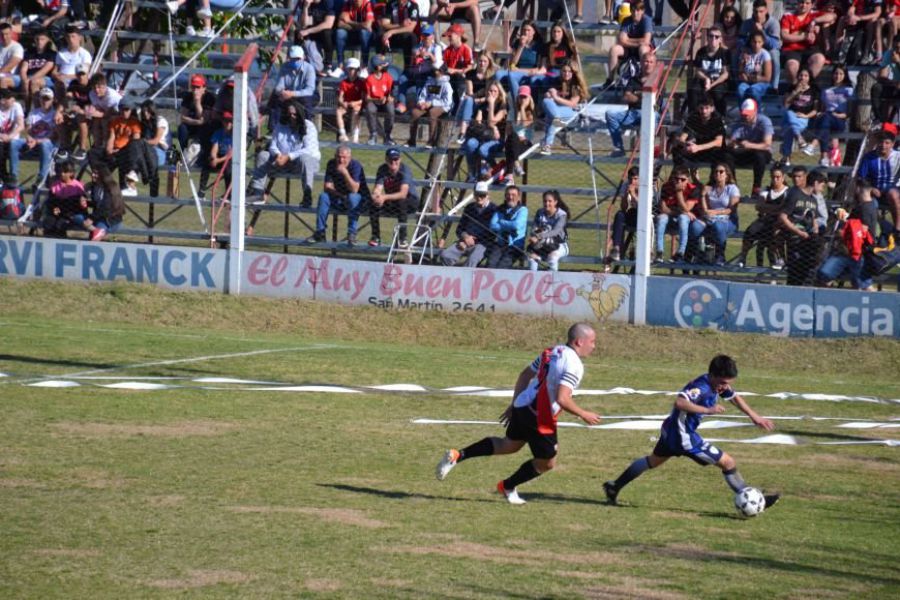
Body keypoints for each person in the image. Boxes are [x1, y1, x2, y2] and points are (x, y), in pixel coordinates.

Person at [435, 323, 601, 505]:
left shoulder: (552, 351)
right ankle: (507, 486)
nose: (594, 346)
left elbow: (524, 375)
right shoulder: (574, 365)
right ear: (579, 341)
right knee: (547, 463)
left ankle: (458, 455)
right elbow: (563, 399)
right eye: (592, 342)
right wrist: (584, 413)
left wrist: (514, 404)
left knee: (509, 445)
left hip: (523, 404)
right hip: (540, 417)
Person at [603, 355, 780, 511]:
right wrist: (707, 410)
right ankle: (756, 501)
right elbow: (680, 402)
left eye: (728, 383)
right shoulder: (701, 388)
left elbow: (733, 396)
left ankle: (614, 486)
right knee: (728, 462)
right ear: (713, 375)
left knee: (653, 461)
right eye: (723, 383)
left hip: (671, 430)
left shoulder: (715, 383)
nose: (725, 387)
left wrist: (754, 416)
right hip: (684, 438)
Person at [246, 100, 320, 233]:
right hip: (282, 161)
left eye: (294, 114)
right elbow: (273, 144)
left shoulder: (309, 126)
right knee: (263, 154)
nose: (291, 117)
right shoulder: (280, 125)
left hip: (303, 164)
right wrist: (279, 155)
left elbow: (309, 149)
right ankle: (257, 192)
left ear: (300, 114)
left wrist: (288, 156)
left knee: (305, 158)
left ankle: (307, 195)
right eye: (289, 114)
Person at [308, 144, 368, 245]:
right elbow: (327, 187)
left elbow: (354, 189)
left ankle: (352, 233)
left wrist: (345, 173)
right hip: (339, 198)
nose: (341, 160)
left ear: (349, 157)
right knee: (323, 197)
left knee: (352, 197)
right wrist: (341, 196)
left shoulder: (355, 166)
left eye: (344, 157)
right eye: (338, 157)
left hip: (358, 201)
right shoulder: (331, 164)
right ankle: (320, 232)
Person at [778, 166, 825, 286]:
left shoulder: (813, 200)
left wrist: (815, 229)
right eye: (821, 185)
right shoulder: (795, 194)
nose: (822, 189)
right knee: (794, 272)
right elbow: (783, 217)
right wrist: (798, 232)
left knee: (806, 272)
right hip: (795, 239)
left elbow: (814, 219)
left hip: (807, 241)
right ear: (815, 183)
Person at [607, 51, 658, 158]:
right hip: (633, 113)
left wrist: (636, 94)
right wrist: (644, 96)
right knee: (610, 114)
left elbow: (656, 99)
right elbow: (626, 97)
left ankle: (647, 150)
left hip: (651, 111)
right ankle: (619, 147)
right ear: (642, 63)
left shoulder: (658, 79)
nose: (648, 64)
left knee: (653, 117)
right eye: (646, 61)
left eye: (651, 62)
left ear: (655, 64)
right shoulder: (634, 79)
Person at [737, 164, 789, 268]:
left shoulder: (788, 191)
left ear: (783, 178)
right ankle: (743, 257)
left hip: (780, 221)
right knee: (750, 231)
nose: (775, 179)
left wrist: (769, 208)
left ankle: (780, 259)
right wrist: (777, 208)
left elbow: (785, 208)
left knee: (775, 235)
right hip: (765, 220)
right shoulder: (767, 190)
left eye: (778, 177)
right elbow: (759, 206)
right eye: (773, 177)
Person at [816, 204, 876, 290]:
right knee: (824, 275)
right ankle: (827, 297)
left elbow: (869, 242)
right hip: (842, 255)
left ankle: (870, 300)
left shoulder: (863, 226)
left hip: (858, 257)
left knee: (863, 285)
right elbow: (839, 233)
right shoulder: (844, 223)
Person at [691, 163, 741, 265]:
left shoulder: (732, 188)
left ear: (727, 174)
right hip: (711, 219)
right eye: (716, 172)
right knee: (695, 226)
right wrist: (703, 194)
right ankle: (695, 254)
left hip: (728, 220)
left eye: (721, 172)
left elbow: (731, 209)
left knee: (718, 226)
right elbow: (705, 209)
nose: (718, 174)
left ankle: (720, 255)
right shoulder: (710, 189)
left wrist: (715, 212)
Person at [439, 180, 497, 267]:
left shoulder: (494, 210)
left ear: (488, 195)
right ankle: (453, 277)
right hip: (465, 241)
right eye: (477, 194)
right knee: (445, 255)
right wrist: (465, 237)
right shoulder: (469, 208)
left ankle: (465, 279)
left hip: (483, 245)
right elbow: (460, 228)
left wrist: (473, 241)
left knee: (472, 260)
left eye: (482, 195)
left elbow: (494, 234)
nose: (479, 198)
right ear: (474, 194)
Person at [369, 147, 418, 247]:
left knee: (401, 202)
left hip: (410, 201)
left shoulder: (405, 170)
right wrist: (376, 196)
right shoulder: (382, 169)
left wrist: (384, 197)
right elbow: (378, 188)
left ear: (400, 159)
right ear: (386, 159)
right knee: (373, 204)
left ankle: (403, 238)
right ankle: (375, 237)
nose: (393, 162)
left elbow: (403, 193)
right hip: (392, 201)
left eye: (396, 159)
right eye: (391, 159)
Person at [726, 98, 773, 197]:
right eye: (744, 113)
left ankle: (756, 187)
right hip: (746, 151)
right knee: (727, 154)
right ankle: (733, 185)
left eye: (748, 113)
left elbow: (767, 144)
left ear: (755, 111)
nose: (746, 116)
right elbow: (732, 140)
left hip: (762, 153)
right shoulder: (739, 121)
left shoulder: (764, 121)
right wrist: (735, 144)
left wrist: (750, 145)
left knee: (759, 155)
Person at [494, 20, 548, 108]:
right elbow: (513, 63)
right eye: (524, 30)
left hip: (528, 72)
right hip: (515, 70)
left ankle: (517, 103)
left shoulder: (539, 46)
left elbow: (538, 68)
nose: (526, 32)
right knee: (498, 74)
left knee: (511, 75)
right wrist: (521, 46)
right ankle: (498, 102)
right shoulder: (517, 42)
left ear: (534, 32)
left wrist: (519, 70)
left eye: (528, 30)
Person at [11, 87, 57, 186]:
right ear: (39, 99)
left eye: (47, 99)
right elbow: (28, 129)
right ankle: (13, 175)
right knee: (14, 143)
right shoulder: (33, 113)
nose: (45, 101)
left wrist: (37, 141)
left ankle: (41, 177)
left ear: (52, 100)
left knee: (45, 144)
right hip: (33, 141)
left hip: (48, 143)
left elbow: (53, 135)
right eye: (43, 98)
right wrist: (29, 138)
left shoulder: (55, 114)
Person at [539, 61, 587, 155]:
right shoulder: (556, 81)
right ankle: (551, 140)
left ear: (574, 73)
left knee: (553, 117)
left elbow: (572, 104)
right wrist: (548, 95)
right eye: (564, 71)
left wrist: (556, 97)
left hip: (570, 114)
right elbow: (549, 96)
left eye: (569, 71)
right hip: (556, 111)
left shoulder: (576, 86)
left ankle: (547, 142)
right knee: (546, 101)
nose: (566, 74)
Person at [395, 23, 443, 114]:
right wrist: (415, 56)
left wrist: (429, 55)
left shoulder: (436, 48)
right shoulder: (418, 47)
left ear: (432, 36)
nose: (425, 38)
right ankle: (402, 104)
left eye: (427, 35)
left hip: (429, 74)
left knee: (420, 80)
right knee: (402, 79)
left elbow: (438, 65)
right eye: (424, 35)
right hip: (416, 71)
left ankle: (419, 104)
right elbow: (412, 63)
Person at [810, 65, 853, 167]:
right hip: (827, 119)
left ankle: (815, 145)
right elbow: (823, 108)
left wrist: (840, 115)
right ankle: (824, 158)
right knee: (825, 119)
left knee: (826, 119)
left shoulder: (848, 90)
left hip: (840, 120)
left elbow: (850, 111)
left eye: (841, 74)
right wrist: (821, 112)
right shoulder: (826, 90)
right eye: (836, 73)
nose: (838, 76)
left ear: (845, 75)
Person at [655, 166, 701, 262]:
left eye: (682, 179)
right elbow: (663, 208)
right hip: (670, 216)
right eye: (676, 179)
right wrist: (679, 212)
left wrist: (678, 193)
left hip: (686, 220)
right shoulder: (667, 186)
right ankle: (659, 252)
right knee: (662, 218)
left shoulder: (693, 189)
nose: (679, 182)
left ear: (687, 180)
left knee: (683, 218)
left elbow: (687, 208)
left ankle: (681, 252)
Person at [857, 130, 900, 233]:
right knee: (862, 193)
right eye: (881, 142)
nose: (883, 145)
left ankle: (898, 230)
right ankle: (870, 234)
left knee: (892, 194)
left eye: (887, 143)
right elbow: (860, 178)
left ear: (893, 144)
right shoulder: (869, 157)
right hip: (876, 190)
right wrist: (871, 188)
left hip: (895, 190)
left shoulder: (898, 156)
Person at [462, 81, 506, 179]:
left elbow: (491, 122)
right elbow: (478, 122)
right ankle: (472, 172)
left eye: (495, 91)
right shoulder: (482, 106)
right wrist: (493, 128)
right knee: (470, 144)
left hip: (497, 140)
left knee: (483, 150)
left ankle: (496, 167)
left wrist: (491, 104)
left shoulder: (502, 107)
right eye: (490, 91)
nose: (492, 93)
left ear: (499, 93)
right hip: (483, 136)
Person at [672, 94, 728, 168]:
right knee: (676, 149)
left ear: (712, 109)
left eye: (707, 108)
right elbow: (682, 138)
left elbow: (718, 142)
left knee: (719, 152)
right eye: (701, 108)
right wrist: (686, 144)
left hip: (712, 151)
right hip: (697, 150)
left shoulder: (717, 120)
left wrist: (698, 147)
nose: (704, 111)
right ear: (698, 108)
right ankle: (681, 175)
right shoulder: (693, 118)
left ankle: (714, 178)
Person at [405, 64, 453, 149]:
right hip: (427, 104)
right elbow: (423, 94)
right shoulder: (430, 81)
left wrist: (432, 103)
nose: (435, 71)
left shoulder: (447, 85)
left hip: (443, 106)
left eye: (437, 70)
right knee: (414, 112)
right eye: (434, 70)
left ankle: (431, 141)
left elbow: (447, 101)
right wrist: (421, 102)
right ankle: (412, 140)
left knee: (432, 112)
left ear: (442, 72)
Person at [738, 0, 781, 93]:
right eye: (756, 11)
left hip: (768, 49)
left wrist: (762, 32)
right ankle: (738, 81)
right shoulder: (747, 23)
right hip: (752, 47)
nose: (758, 14)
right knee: (737, 53)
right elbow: (740, 40)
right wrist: (744, 48)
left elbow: (774, 45)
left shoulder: (774, 23)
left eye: (761, 11)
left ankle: (774, 86)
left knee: (774, 54)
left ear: (766, 11)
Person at [686, 26, 730, 117]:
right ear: (707, 38)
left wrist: (712, 85)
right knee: (694, 90)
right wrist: (706, 78)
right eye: (711, 36)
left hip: (718, 81)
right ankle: (693, 117)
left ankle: (721, 118)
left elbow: (725, 74)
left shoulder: (724, 53)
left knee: (717, 92)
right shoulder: (701, 52)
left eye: (716, 37)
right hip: (703, 80)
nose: (713, 38)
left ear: (720, 39)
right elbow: (697, 71)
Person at [781, 0, 827, 86]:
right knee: (791, 67)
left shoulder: (814, 14)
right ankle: (795, 88)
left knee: (820, 59)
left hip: (810, 49)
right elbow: (785, 36)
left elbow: (833, 16)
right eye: (801, 2)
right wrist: (805, 36)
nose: (804, 5)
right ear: (797, 3)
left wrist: (815, 21)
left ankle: (806, 88)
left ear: (812, 4)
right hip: (792, 50)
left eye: (807, 3)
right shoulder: (788, 16)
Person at [780, 68, 820, 165]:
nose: (802, 78)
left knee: (788, 127)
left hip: (803, 119)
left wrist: (806, 116)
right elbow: (785, 105)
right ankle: (799, 138)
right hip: (791, 117)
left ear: (809, 78)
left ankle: (786, 157)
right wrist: (796, 91)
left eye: (805, 76)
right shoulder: (792, 88)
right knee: (789, 114)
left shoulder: (814, 90)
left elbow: (815, 110)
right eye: (801, 75)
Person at [606, 1, 653, 84]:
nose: (635, 13)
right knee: (614, 49)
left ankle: (642, 78)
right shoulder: (626, 20)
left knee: (643, 48)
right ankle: (610, 80)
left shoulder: (647, 20)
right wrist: (638, 41)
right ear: (630, 11)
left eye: (638, 10)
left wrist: (628, 40)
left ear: (643, 11)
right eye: (633, 10)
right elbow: (621, 40)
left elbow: (646, 41)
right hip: (628, 49)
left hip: (642, 49)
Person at [455, 51, 493, 144]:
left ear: (489, 62)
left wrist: (479, 99)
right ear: (477, 61)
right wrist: (474, 99)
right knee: (468, 100)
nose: (482, 63)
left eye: (485, 61)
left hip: (486, 102)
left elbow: (490, 94)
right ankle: (462, 132)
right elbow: (470, 92)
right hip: (473, 101)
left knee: (468, 100)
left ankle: (466, 132)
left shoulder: (492, 75)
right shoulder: (470, 74)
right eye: (480, 61)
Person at [526, 189, 570, 271]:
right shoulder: (540, 212)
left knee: (552, 258)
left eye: (550, 201)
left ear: (555, 202)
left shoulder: (562, 214)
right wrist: (534, 236)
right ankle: (534, 281)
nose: (547, 203)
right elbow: (533, 228)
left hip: (559, 245)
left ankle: (552, 282)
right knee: (532, 259)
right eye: (545, 201)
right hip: (541, 245)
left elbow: (555, 232)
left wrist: (539, 236)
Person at [486, 185, 528, 268]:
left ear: (518, 197)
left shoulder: (523, 210)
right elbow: (492, 226)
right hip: (500, 244)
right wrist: (509, 225)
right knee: (490, 264)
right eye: (508, 195)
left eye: (513, 195)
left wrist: (501, 222)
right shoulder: (500, 209)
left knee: (502, 266)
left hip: (515, 246)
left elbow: (516, 225)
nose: (510, 197)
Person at [273, 45, 317, 120]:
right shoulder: (284, 67)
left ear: (303, 57)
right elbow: (279, 86)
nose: (295, 60)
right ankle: (274, 128)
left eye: (297, 58)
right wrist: (282, 92)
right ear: (289, 58)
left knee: (306, 100)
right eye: (292, 58)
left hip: (306, 95)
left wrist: (292, 94)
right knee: (275, 99)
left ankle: (307, 125)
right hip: (288, 93)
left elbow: (309, 90)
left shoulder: (309, 68)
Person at [18, 28, 56, 112]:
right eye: (37, 39)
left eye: (42, 39)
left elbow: (46, 69)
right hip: (28, 77)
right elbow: (23, 69)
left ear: (48, 40)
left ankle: (37, 110)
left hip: (45, 78)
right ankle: (27, 110)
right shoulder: (29, 52)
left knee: (34, 82)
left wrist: (30, 79)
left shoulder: (51, 53)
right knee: (5, 80)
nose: (39, 42)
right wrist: (24, 79)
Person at [503, 86, 535, 186]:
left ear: (529, 98)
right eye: (520, 97)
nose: (522, 99)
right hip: (514, 141)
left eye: (525, 97)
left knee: (510, 147)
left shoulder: (531, 112)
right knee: (512, 138)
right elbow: (508, 130)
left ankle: (509, 174)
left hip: (525, 143)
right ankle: (516, 165)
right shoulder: (512, 112)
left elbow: (525, 124)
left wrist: (522, 108)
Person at [297, 0, 340, 73]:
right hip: (313, 34)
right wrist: (305, 8)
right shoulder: (307, 4)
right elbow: (304, 24)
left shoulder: (328, 2)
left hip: (326, 34)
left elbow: (328, 24)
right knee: (298, 33)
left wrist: (307, 31)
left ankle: (328, 63)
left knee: (327, 32)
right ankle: (297, 62)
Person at [379, 0, 421, 69]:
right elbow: (384, 24)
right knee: (380, 35)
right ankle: (379, 66)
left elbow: (411, 28)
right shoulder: (390, 4)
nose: (401, 1)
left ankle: (408, 68)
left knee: (411, 37)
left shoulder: (413, 6)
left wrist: (392, 31)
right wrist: (400, 25)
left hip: (404, 34)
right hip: (393, 35)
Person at [364, 55, 396, 145]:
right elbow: (367, 97)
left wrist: (390, 98)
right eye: (381, 65)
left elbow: (392, 92)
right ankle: (373, 134)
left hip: (385, 101)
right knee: (370, 109)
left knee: (391, 110)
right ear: (377, 67)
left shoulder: (388, 77)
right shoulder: (369, 79)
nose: (384, 66)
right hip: (373, 101)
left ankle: (388, 135)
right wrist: (377, 99)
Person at [335, 0, 375, 70]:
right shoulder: (348, 4)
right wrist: (359, 26)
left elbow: (367, 25)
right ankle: (340, 65)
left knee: (364, 32)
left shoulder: (368, 4)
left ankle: (364, 66)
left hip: (367, 34)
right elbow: (340, 24)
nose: (355, 2)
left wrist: (349, 21)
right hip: (352, 32)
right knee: (340, 32)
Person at [610, 167, 639, 261]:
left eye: (635, 179)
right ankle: (617, 249)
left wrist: (634, 194)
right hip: (633, 212)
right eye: (630, 179)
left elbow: (644, 207)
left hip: (644, 214)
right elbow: (624, 207)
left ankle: (636, 251)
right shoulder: (626, 185)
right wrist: (626, 195)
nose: (632, 181)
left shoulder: (645, 186)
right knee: (619, 215)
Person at [52, 25, 91, 94]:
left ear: (79, 38)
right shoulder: (61, 53)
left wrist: (65, 77)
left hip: (75, 82)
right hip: (59, 80)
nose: (70, 39)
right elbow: (55, 70)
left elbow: (84, 74)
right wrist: (56, 76)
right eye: (68, 37)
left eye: (73, 36)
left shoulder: (85, 54)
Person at [736, 31, 772, 104]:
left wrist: (750, 78)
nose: (756, 45)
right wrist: (743, 65)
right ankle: (743, 112)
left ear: (763, 43)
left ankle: (757, 113)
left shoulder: (765, 55)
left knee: (753, 91)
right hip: (747, 82)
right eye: (754, 42)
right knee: (740, 89)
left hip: (761, 83)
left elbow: (767, 78)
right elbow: (739, 72)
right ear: (750, 42)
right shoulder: (745, 53)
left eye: (759, 42)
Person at [870, 36, 900, 126]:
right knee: (876, 88)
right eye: (895, 47)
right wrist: (893, 83)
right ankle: (879, 120)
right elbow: (881, 76)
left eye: (899, 48)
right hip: (895, 86)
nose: (897, 51)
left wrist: (898, 62)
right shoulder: (890, 53)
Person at [336, 57, 366, 143]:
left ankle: (355, 135)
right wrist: (343, 103)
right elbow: (340, 97)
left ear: (358, 70)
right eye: (350, 69)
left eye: (354, 69)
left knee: (356, 112)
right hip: (347, 103)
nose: (351, 71)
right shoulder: (343, 82)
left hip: (357, 104)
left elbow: (363, 98)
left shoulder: (361, 82)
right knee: (338, 111)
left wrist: (355, 103)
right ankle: (343, 134)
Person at [0, 88, 25, 182]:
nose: (13, 99)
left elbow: (21, 125)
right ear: (2, 101)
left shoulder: (16, 106)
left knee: (12, 144)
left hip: (13, 139)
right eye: (10, 98)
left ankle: (12, 176)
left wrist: (10, 136)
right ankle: (3, 175)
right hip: (1, 139)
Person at [0, 22, 24, 91]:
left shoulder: (17, 47)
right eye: (2, 34)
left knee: (2, 80)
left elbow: (9, 67)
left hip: (12, 76)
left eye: (7, 34)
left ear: (11, 33)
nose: (4, 37)